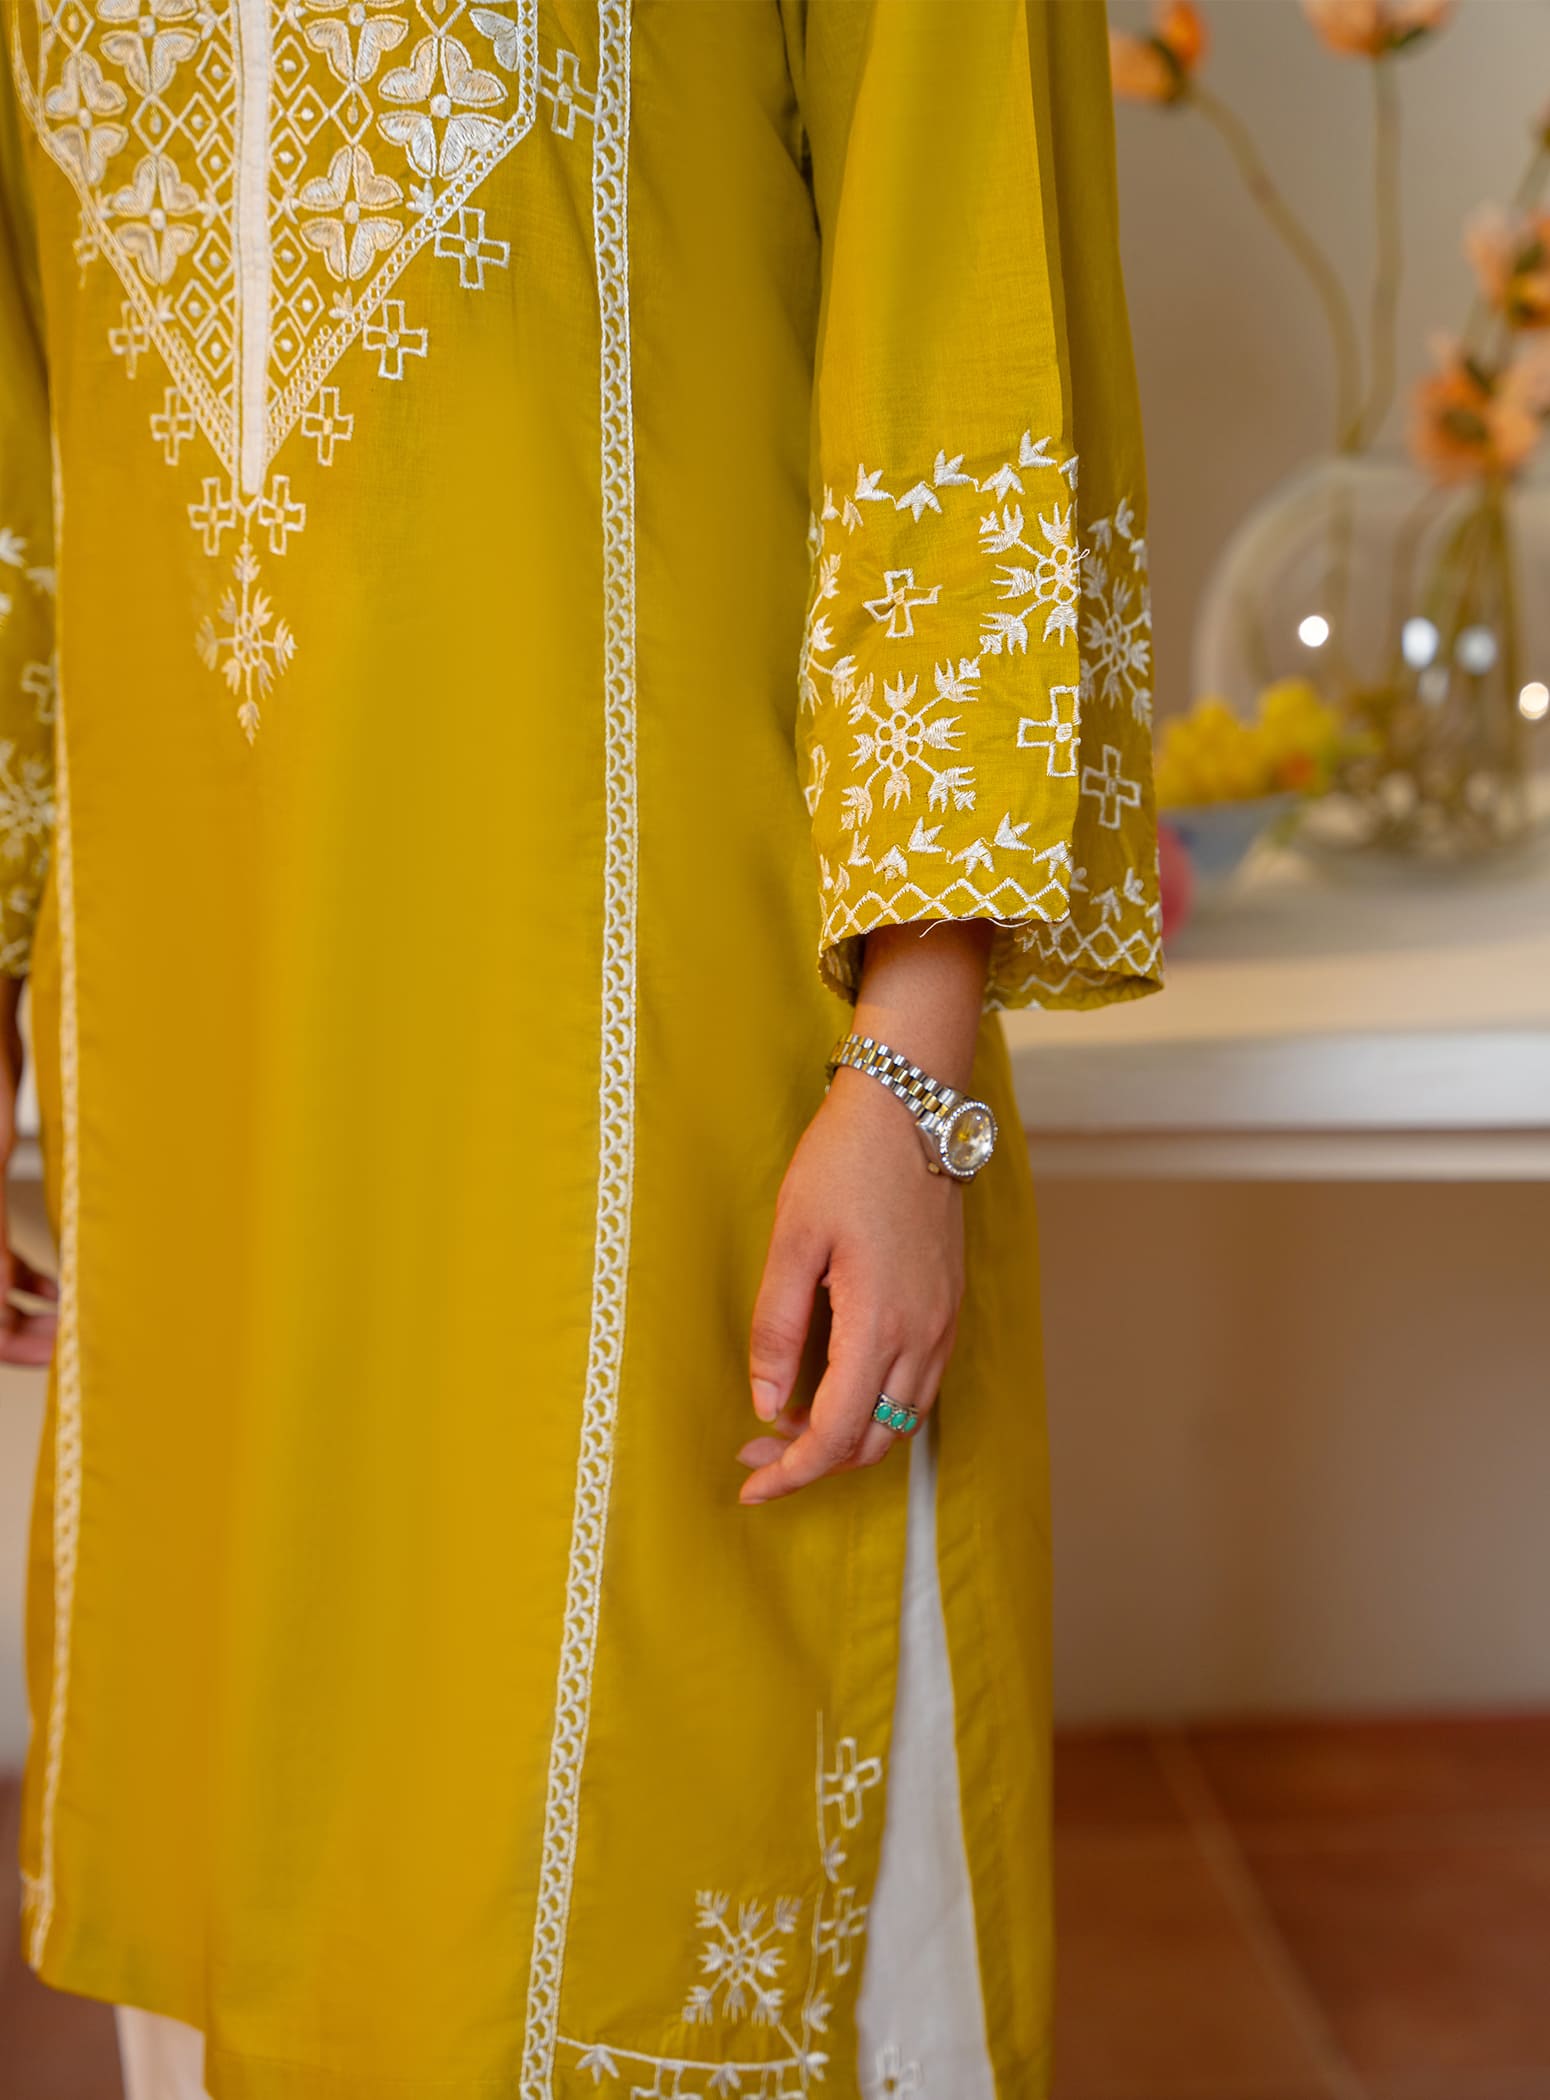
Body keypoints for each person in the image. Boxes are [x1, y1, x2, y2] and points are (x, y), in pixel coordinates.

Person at [0, 0, 1160, 2094]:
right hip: (203, 1058)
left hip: (662, 1055)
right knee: (272, 1854)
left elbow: (959, 286)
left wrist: (912, 1055)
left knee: (662, 1821)